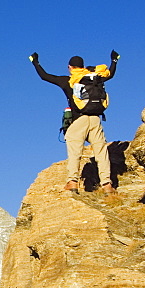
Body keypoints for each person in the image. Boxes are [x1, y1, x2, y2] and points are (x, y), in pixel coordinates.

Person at [29, 50, 120, 194]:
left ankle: (72, 182)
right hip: (95, 119)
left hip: (79, 121)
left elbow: (44, 76)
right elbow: (111, 74)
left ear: (70, 67)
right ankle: (107, 184)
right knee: (101, 152)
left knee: (74, 150)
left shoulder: (68, 81)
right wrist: (114, 61)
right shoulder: (94, 78)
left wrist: (35, 62)